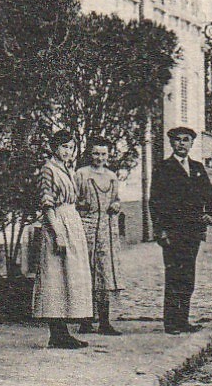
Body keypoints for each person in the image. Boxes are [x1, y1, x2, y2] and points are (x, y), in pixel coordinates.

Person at [150, 126, 212, 334]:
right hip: (172, 231)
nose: (181, 144)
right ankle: (171, 322)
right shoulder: (163, 168)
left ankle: (183, 319)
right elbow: (155, 202)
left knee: (188, 276)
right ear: (171, 143)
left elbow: (211, 196)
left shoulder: (197, 168)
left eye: (186, 140)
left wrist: (210, 214)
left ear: (191, 143)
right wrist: (160, 230)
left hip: (193, 230)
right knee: (174, 275)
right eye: (177, 140)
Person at [32, 131, 93, 348]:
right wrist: (57, 232)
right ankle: (56, 333)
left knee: (69, 277)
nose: (67, 151)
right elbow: (47, 204)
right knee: (55, 278)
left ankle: (62, 332)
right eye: (63, 147)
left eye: (71, 147)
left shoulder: (67, 169)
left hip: (71, 220)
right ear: (53, 147)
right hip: (57, 223)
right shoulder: (48, 170)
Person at [74, 138, 123, 335]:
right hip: (86, 227)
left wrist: (116, 205)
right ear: (89, 154)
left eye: (103, 154)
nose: (100, 158)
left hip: (107, 230)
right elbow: (73, 199)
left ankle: (104, 321)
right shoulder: (81, 174)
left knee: (105, 273)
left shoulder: (112, 176)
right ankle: (85, 320)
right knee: (86, 271)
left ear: (108, 155)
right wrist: (81, 207)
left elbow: (117, 199)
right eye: (96, 153)